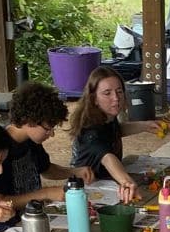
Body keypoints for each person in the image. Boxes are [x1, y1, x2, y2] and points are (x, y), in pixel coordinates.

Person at [0, 82, 95, 216]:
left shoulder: (31, 140)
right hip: (7, 226)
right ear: (29, 120)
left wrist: (75, 172)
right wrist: (46, 193)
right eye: (48, 128)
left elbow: (47, 169)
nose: (51, 134)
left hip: (34, 215)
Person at [68, 66, 160, 200]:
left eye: (119, 91)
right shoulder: (90, 130)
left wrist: (145, 126)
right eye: (107, 93)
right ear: (94, 98)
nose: (116, 98)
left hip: (106, 184)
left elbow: (115, 131)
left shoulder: (106, 116)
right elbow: (107, 158)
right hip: (86, 192)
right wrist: (127, 182)